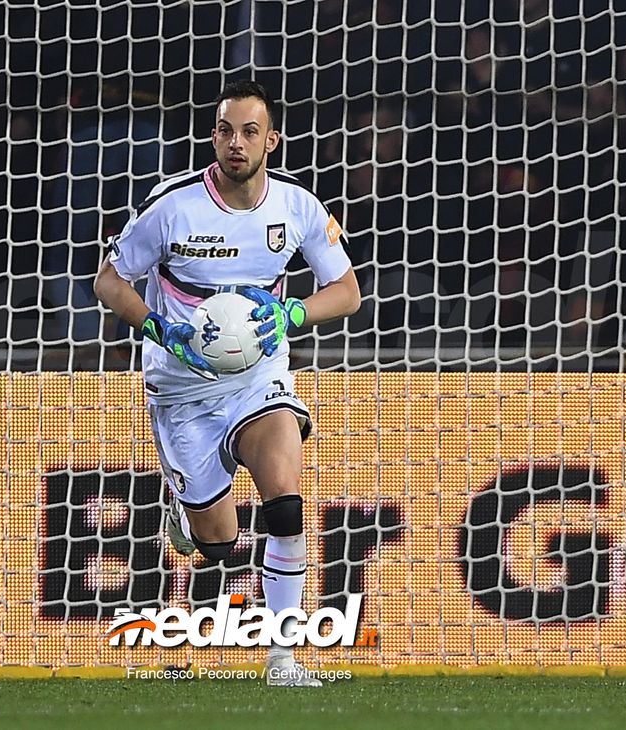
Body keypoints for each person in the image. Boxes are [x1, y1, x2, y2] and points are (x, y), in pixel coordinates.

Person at [93, 80, 361, 687]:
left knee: (285, 498)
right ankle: (188, 523)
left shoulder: (297, 208)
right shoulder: (173, 205)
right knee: (219, 543)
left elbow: (347, 293)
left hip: (258, 376)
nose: (234, 143)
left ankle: (283, 661)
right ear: (213, 135)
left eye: (248, 132)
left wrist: (294, 314)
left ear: (272, 140)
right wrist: (164, 330)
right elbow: (109, 283)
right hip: (182, 388)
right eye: (224, 130)